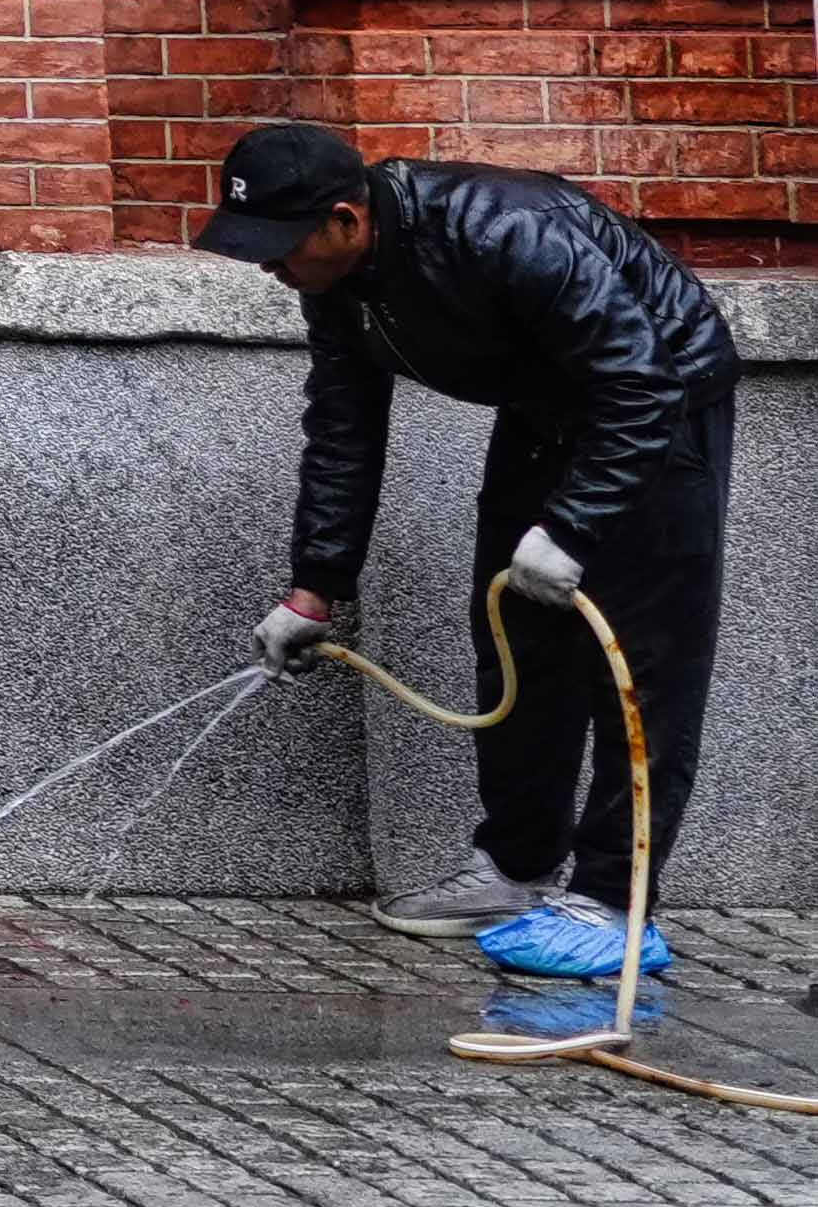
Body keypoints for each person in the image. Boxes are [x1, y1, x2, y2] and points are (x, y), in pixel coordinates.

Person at [205, 115, 735, 992]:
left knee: (643, 664)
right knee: (516, 638)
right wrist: (314, 587)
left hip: (662, 402)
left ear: (345, 218)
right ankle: (517, 867)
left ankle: (613, 898)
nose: (270, 265)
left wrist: (574, 525)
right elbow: (343, 430)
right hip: (545, 413)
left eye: (280, 244)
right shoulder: (334, 280)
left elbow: (639, 382)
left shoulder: (507, 231)